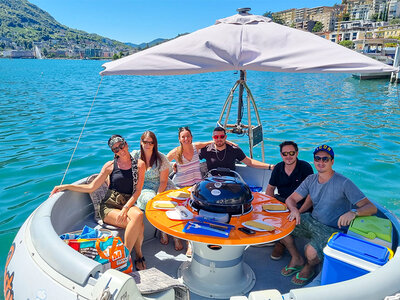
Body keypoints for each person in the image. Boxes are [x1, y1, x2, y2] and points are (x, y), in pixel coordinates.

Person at [279, 144, 377, 285]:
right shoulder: (311, 179)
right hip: (312, 220)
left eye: (325, 159)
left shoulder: (344, 183)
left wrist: (354, 212)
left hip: (332, 229)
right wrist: (294, 210)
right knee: (281, 227)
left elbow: (371, 207)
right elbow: (291, 199)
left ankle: (309, 266)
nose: (321, 162)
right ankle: (296, 258)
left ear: (332, 161)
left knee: (311, 252)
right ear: (314, 160)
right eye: (317, 158)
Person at [50, 135, 147, 270]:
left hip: (127, 203)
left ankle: (124, 256)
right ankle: (131, 256)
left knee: (138, 216)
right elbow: (91, 187)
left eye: (121, 145)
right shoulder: (110, 166)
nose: (120, 150)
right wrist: (66, 186)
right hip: (109, 206)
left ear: (126, 144)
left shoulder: (140, 165)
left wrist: (125, 208)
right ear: (113, 152)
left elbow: (137, 192)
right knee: (137, 224)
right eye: (115, 149)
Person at [130, 131, 182, 250]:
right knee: (151, 201)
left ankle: (175, 236)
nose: (148, 145)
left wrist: (159, 195)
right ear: (141, 142)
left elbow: (163, 181)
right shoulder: (135, 156)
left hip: (161, 184)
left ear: (154, 144)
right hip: (144, 187)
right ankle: (163, 231)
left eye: (151, 142)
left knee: (172, 202)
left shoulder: (161, 158)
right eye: (145, 142)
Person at [265, 141, 314, 260]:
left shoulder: (305, 167)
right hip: (282, 201)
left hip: (301, 204)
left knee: (288, 221)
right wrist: (271, 207)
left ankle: (280, 243)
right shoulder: (278, 168)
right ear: (281, 155)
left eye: (291, 153)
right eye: (285, 153)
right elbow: (270, 188)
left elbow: (311, 195)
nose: (288, 156)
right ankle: (276, 239)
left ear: (297, 153)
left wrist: (299, 212)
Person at [198, 126, 274, 172]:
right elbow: (191, 151)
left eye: (221, 137)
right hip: (212, 181)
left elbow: (249, 162)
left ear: (225, 137)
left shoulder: (234, 150)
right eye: (216, 137)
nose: (219, 139)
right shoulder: (206, 150)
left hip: (230, 181)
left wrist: (270, 166)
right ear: (213, 138)